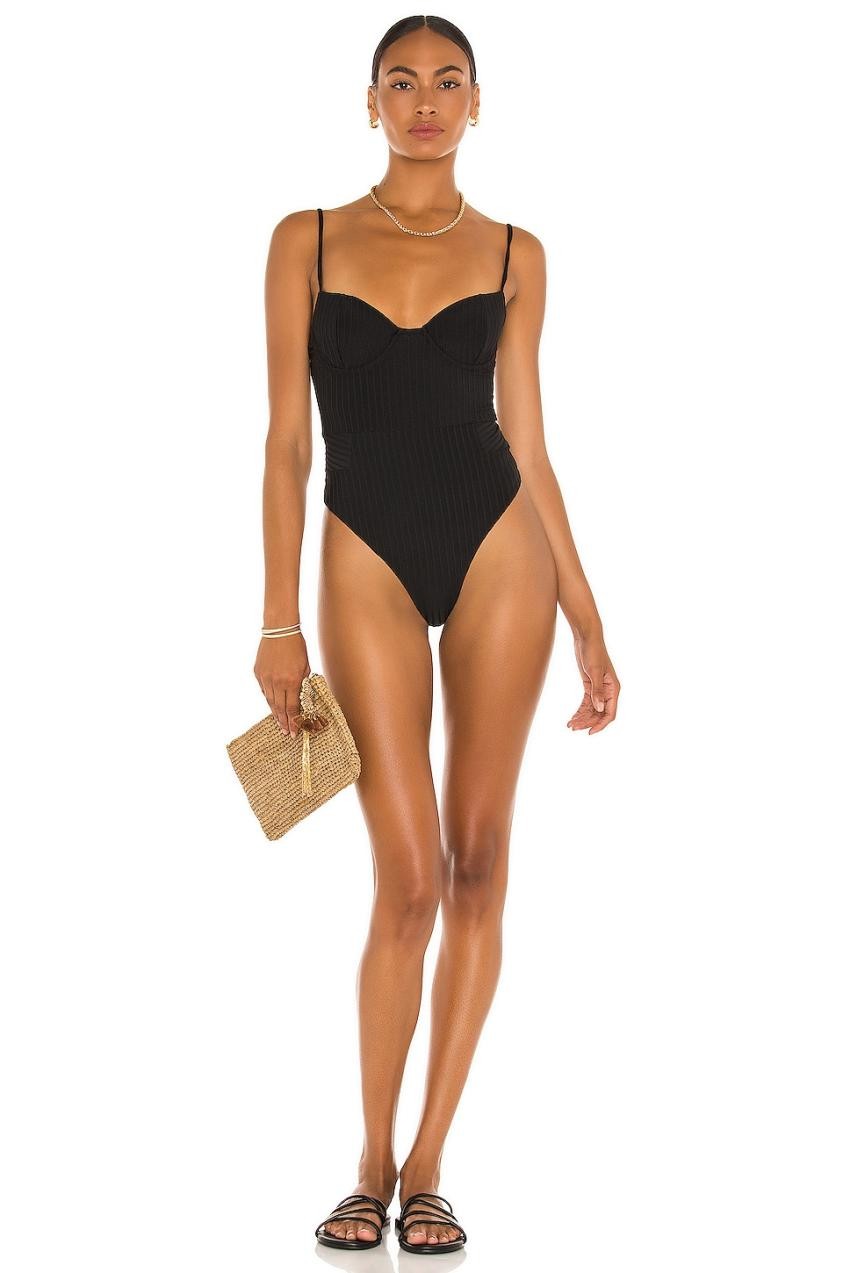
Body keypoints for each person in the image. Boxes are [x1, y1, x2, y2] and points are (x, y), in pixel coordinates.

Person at [254, 14, 620, 1255]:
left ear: (477, 102)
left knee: (478, 862)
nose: (425, 101)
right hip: (361, 545)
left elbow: (532, 441)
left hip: (499, 542)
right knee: (406, 878)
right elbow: (285, 444)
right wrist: (276, 618)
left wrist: (587, 616)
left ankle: (427, 1167)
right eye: (402, 81)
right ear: (369, 102)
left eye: (447, 81)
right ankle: (366, 1159)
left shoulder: (517, 252)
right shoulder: (304, 239)